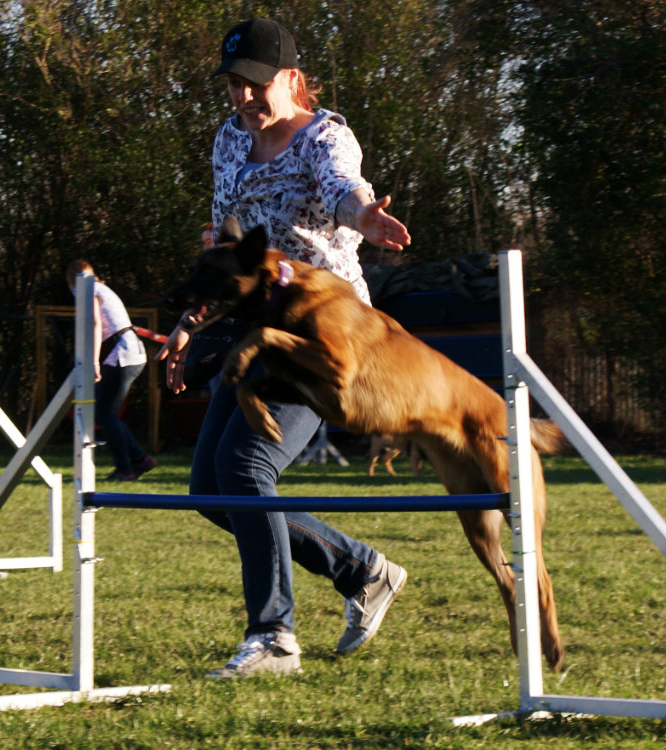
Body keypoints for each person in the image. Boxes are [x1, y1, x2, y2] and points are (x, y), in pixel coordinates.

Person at [157, 18, 412, 679]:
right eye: (232, 87)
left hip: (323, 332)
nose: (242, 99)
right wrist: (191, 321)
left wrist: (367, 217)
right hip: (254, 328)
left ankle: (272, 637)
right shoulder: (227, 141)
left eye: (254, 86)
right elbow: (226, 241)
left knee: (244, 470)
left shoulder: (324, 135)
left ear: (291, 80)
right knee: (212, 491)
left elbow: (342, 189)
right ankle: (362, 570)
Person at [67, 260, 157, 481]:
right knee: (106, 412)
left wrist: (94, 362)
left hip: (122, 355)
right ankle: (138, 459)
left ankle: (125, 469)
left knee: (106, 413)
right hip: (128, 353)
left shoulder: (87, 289)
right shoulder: (100, 287)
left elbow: (96, 324)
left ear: (72, 280)